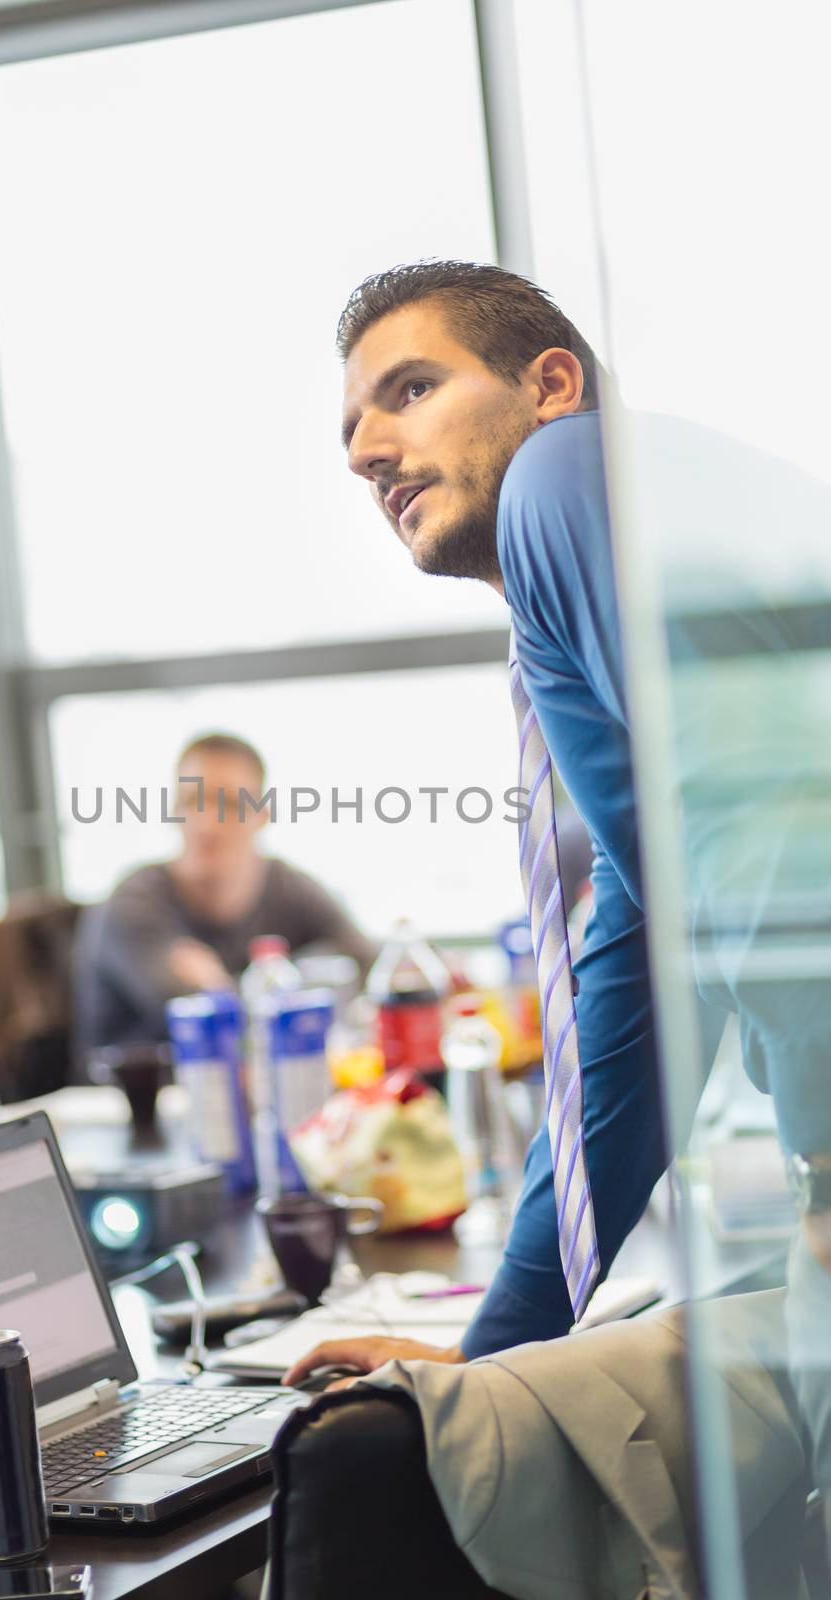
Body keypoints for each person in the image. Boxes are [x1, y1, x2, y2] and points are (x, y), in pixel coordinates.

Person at [286, 260, 829, 1392]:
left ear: (548, 383)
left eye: (409, 390)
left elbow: (761, 816)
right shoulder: (592, 578)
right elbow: (635, 975)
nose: (363, 451)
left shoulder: (565, 473)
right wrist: (494, 1347)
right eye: (351, 428)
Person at [74, 732, 374, 1053]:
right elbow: (199, 1018)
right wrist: (290, 991)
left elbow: (364, 965)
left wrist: (238, 985)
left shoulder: (291, 888)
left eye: (228, 804)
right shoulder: (133, 903)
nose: (207, 825)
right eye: (191, 802)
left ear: (263, 815)